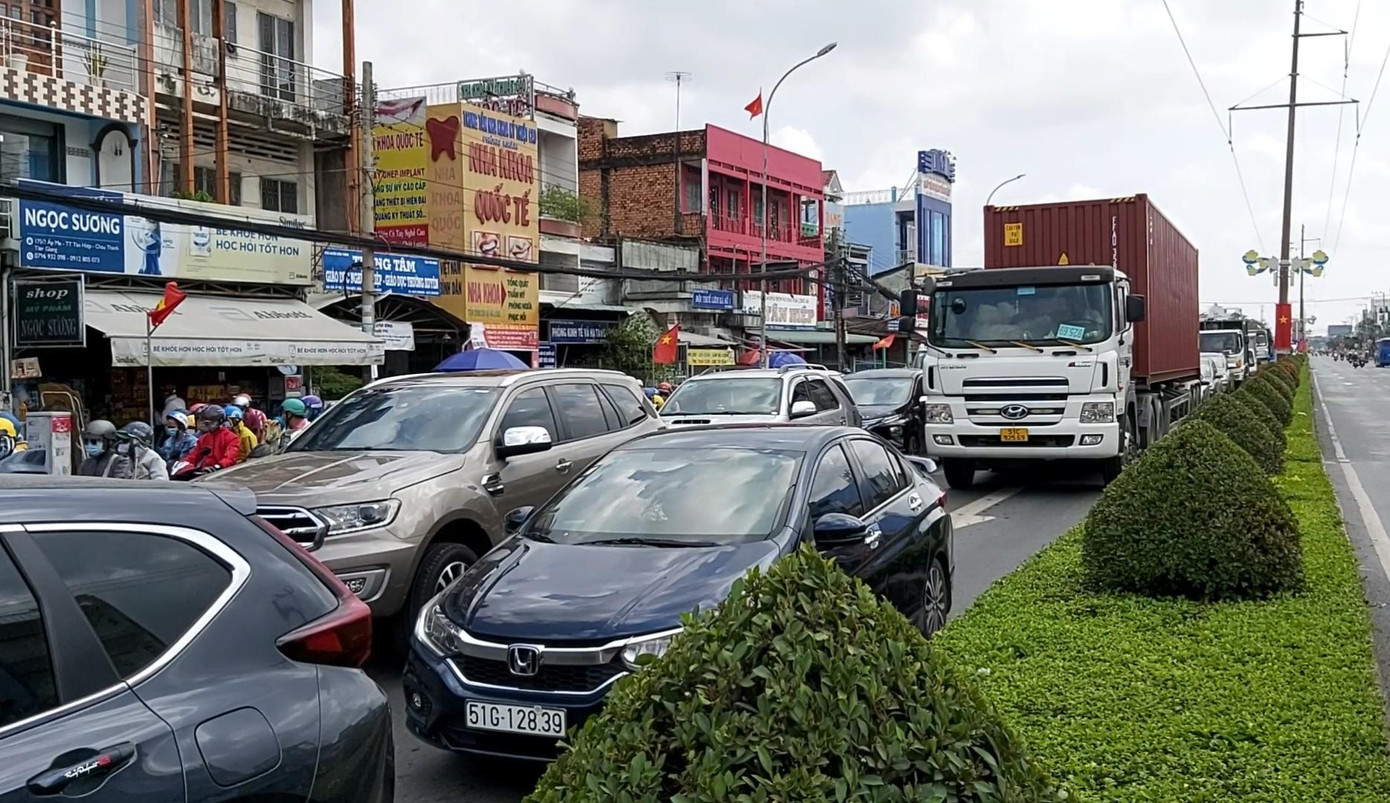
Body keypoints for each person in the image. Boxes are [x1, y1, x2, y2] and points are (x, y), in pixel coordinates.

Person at [184, 405, 240, 474]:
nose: (208, 425)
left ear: (220, 421)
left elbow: (230, 458)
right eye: (206, 423)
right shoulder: (204, 438)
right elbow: (193, 455)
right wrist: (185, 464)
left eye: (211, 423)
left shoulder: (231, 438)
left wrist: (218, 466)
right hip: (204, 472)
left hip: (222, 473)